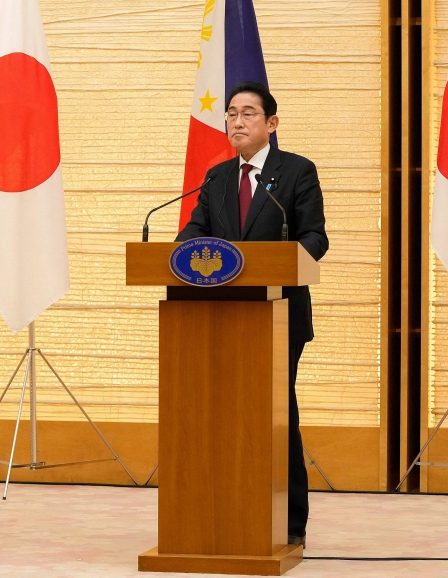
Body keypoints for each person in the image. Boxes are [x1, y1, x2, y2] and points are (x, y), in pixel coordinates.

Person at [176, 81, 328, 548]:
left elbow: (315, 239)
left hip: (279, 313)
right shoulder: (217, 177)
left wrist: (279, 265)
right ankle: (222, 513)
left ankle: (289, 525)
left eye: (248, 114)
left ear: (271, 123)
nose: (237, 122)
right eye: (231, 114)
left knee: (277, 416)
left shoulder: (297, 171)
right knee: (220, 417)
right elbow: (191, 237)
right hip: (219, 318)